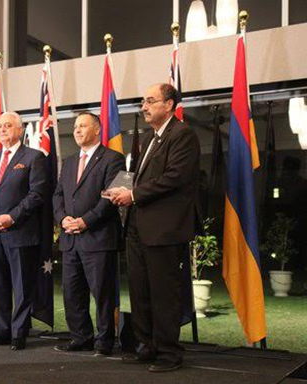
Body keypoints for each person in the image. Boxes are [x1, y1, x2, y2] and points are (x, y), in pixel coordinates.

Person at [110, 83, 200, 373]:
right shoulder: (151, 137)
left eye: (150, 101)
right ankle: (145, 347)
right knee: (141, 292)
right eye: (143, 102)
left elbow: (175, 177)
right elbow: (139, 178)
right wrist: (122, 190)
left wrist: (133, 195)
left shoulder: (182, 135)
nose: (144, 107)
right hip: (138, 226)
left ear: (169, 104)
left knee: (164, 294)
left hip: (164, 230)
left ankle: (169, 354)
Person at [0, 111, 46, 351]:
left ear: (20, 130)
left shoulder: (34, 157)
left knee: (22, 287)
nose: (2, 129)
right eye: (0, 126)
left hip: (20, 232)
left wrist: (11, 218)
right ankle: (0, 331)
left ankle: (18, 333)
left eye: (8, 126)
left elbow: (37, 194)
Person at [52, 112, 125, 356]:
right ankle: (80, 337)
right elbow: (58, 195)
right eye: (75, 127)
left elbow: (111, 198)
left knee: (102, 293)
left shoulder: (113, 158)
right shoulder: (70, 161)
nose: (77, 130)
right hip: (70, 238)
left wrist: (85, 221)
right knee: (72, 293)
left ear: (97, 130)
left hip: (99, 237)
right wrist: (63, 219)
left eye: (82, 126)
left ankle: (104, 341)